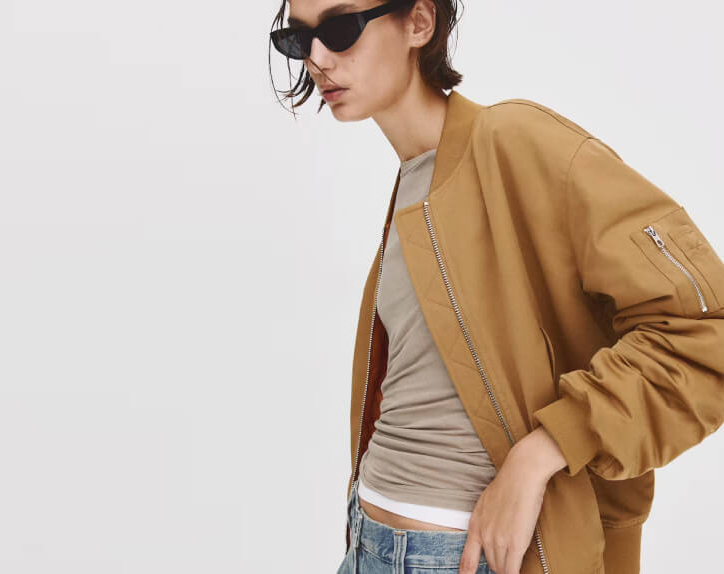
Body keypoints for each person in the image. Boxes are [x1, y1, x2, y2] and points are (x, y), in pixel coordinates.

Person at [269, 1, 724, 573]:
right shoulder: (415, 181)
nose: (316, 58)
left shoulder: (512, 141)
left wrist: (542, 452)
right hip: (367, 543)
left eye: (339, 28)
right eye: (298, 39)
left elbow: (703, 331)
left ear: (419, 22)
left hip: (463, 557)